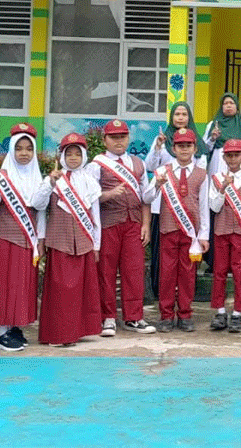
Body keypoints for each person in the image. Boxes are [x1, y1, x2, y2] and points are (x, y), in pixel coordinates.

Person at [0, 124, 50, 352]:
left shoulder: (37, 177)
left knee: (21, 285)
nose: (24, 153)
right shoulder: (1, 176)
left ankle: (14, 327)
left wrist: (41, 239)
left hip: (28, 240)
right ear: (11, 150)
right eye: (19, 148)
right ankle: (1, 333)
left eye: (29, 149)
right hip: (4, 237)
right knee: (3, 285)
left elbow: (40, 210)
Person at [88, 119, 155, 336]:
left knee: (134, 271)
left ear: (128, 138)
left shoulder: (138, 163)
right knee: (106, 271)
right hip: (108, 224)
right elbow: (88, 197)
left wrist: (146, 224)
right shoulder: (96, 165)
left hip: (133, 223)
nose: (119, 141)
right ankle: (107, 317)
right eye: (114, 137)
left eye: (123, 137)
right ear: (104, 140)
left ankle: (134, 317)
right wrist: (108, 194)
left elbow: (145, 197)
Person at [37, 133, 103, 346]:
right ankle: (58, 334)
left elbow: (95, 216)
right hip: (60, 241)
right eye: (69, 154)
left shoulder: (90, 181)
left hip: (84, 243)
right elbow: (38, 206)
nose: (73, 158)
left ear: (84, 156)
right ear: (62, 156)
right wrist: (50, 183)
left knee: (81, 292)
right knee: (61, 291)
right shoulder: (54, 179)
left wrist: (96, 244)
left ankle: (77, 331)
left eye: (77, 154)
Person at [142, 127, 209, 333]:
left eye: (188, 145)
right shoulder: (163, 171)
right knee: (167, 274)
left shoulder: (202, 174)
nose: (184, 149)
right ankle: (166, 315)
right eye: (180, 146)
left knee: (188, 274)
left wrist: (204, 235)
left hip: (191, 233)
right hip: (168, 229)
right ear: (173, 148)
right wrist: (157, 185)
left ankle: (185, 314)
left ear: (195, 148)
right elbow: (146, 197)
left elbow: (204, 206)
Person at [145, 102, 208, 298]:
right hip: (165, 210)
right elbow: (150, 167)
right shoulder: (162, 141)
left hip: (190, 215)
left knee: (187, 266)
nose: (180, 117)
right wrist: (158, 147)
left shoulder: (199, 147)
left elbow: (202, 195)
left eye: (184, 114)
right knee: (165, 263)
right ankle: (162, 299)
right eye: (177, 114)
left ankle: (185, 305)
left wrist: (204, 232)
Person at [207, 139, 241, 333]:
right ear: (224, 157)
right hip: (221, 231)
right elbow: (214, 207)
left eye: (237, 155)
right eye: (229, 155)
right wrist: (222, 189)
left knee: (239, 273)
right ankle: (220, 311)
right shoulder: (216, 179)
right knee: (219, 272)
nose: (233, 159)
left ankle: (237, 312)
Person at [203, 93, 241, 177]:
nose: (228, 105)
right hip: (216, 164)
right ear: (222, 107)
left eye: (231, 103)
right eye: (225, 103)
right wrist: (212, 139)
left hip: (238, 167)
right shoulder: (212, 125)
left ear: (237, 106)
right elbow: (205, 149)